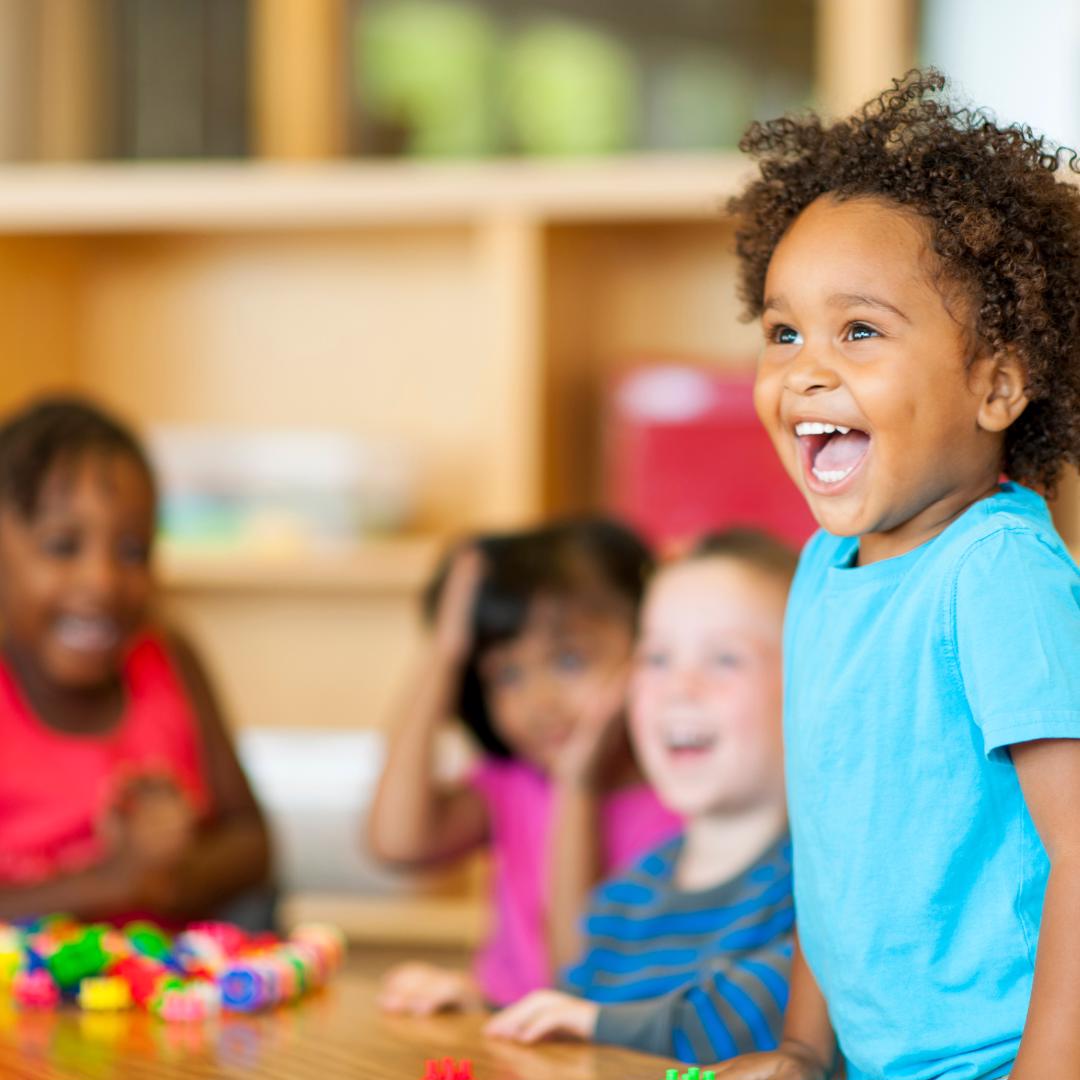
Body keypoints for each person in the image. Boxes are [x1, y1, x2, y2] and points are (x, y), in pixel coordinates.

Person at [715, 70, 1080, 1080]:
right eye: (784, 332)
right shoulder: (825, 569)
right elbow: (839, 851)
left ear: (997, 383)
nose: (805, 370)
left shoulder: (996, 573)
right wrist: (799, 1049)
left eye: (859, 330)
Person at [486, 530, 796, 1065]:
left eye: (724, 659)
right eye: (655, 659)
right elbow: (564, 1013)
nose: (680, 686)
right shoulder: (622, 899)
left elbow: (756, 1014)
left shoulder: (823, 884)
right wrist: (478, 1008)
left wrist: (593, 1024)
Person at [369, 518, 680, 1010]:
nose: (538, 702)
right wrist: (444, 653)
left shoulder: (688, 799)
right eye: (506, 674)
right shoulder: (510, 787)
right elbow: (396, 841)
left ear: (651, 644)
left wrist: (579, 786)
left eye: (569, 661)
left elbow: (578, 981)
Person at [0, 396, 273, 928]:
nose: (103, 582)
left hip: (173, 998)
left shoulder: (170, 662)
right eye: (62, 546)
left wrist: (173, 871)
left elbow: (254, 844)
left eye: (132, 551)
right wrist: (110, 881)